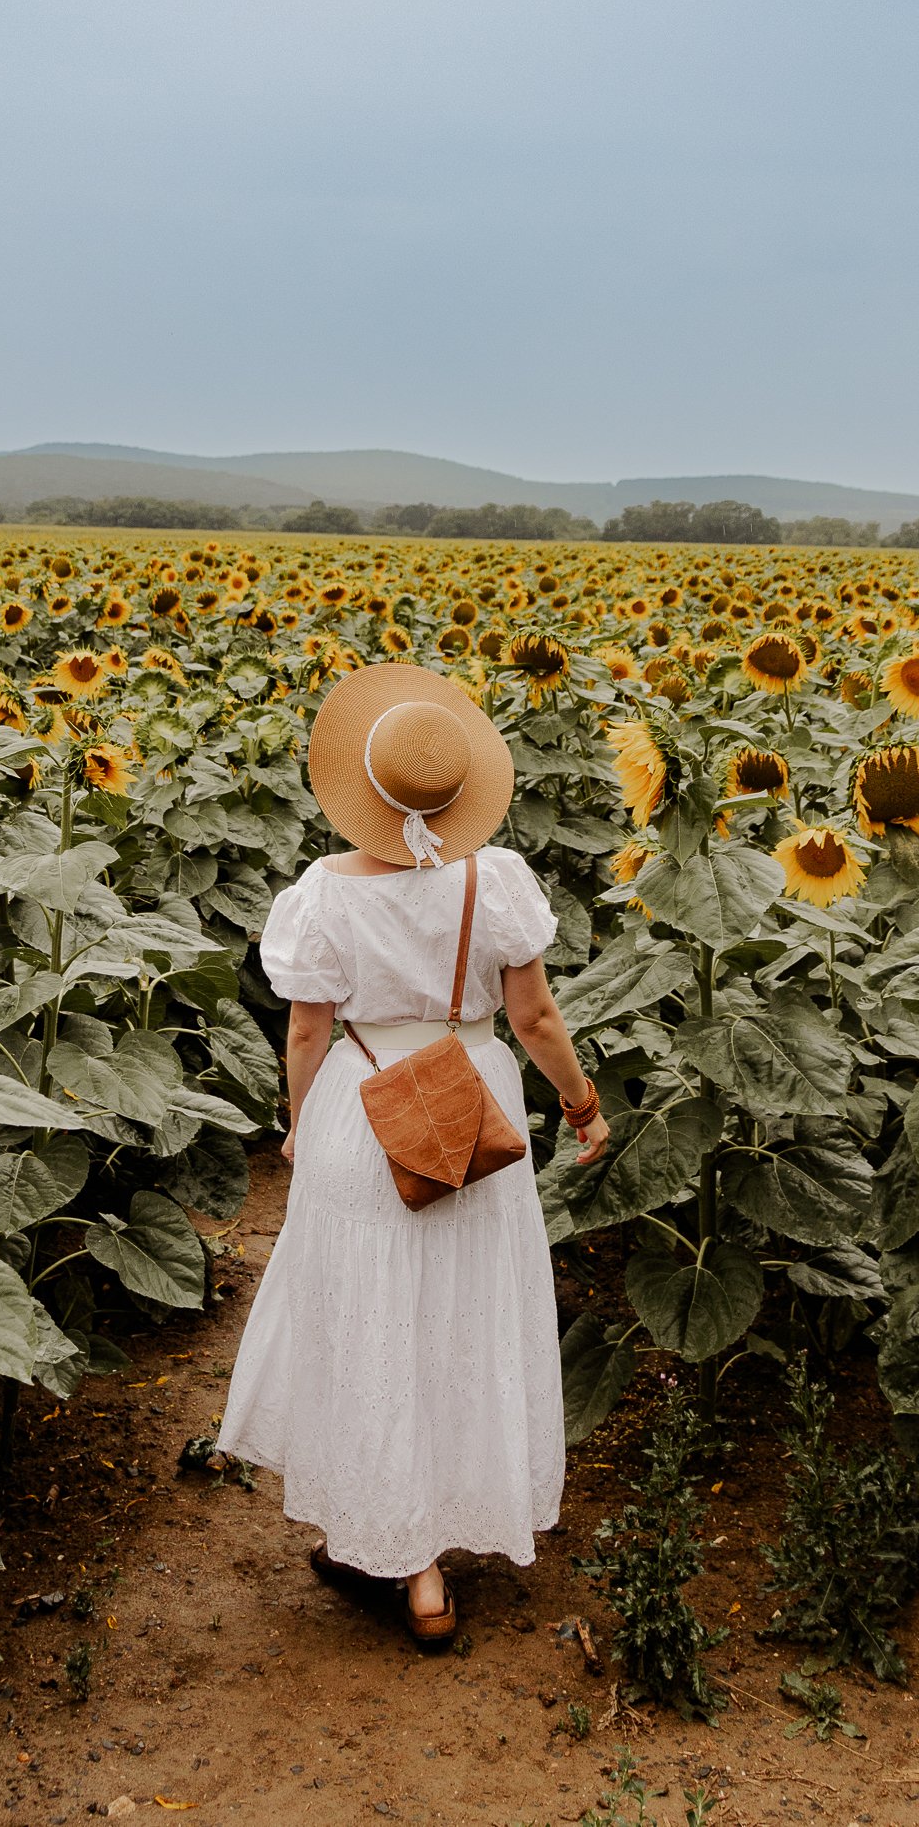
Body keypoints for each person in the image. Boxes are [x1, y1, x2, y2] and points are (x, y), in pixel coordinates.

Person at [217, 662, 611, 1647]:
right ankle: (439, 1546)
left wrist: (301, 1121)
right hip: (475, 1119)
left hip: (367, 1112)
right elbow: (534, 1016)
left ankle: (398, 1554)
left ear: (363, 786)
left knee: (370, 1326)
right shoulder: (500, 880)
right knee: (460, 1322)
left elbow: (307, 1034)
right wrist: (582, 1106)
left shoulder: (322, 892)